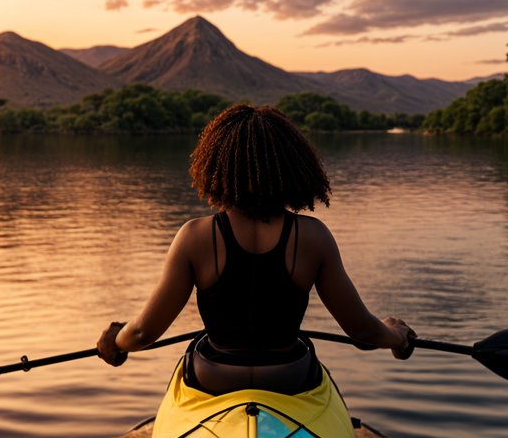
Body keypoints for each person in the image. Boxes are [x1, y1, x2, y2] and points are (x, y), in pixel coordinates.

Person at [97, 104, 415, 394]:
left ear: (215, 165)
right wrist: (395, 335)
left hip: (214, 378)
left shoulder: (194, 236)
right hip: (288, 377)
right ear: (294, 165)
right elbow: (361, 330)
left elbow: (142, 334)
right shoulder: (313, 236)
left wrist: (115, 340)